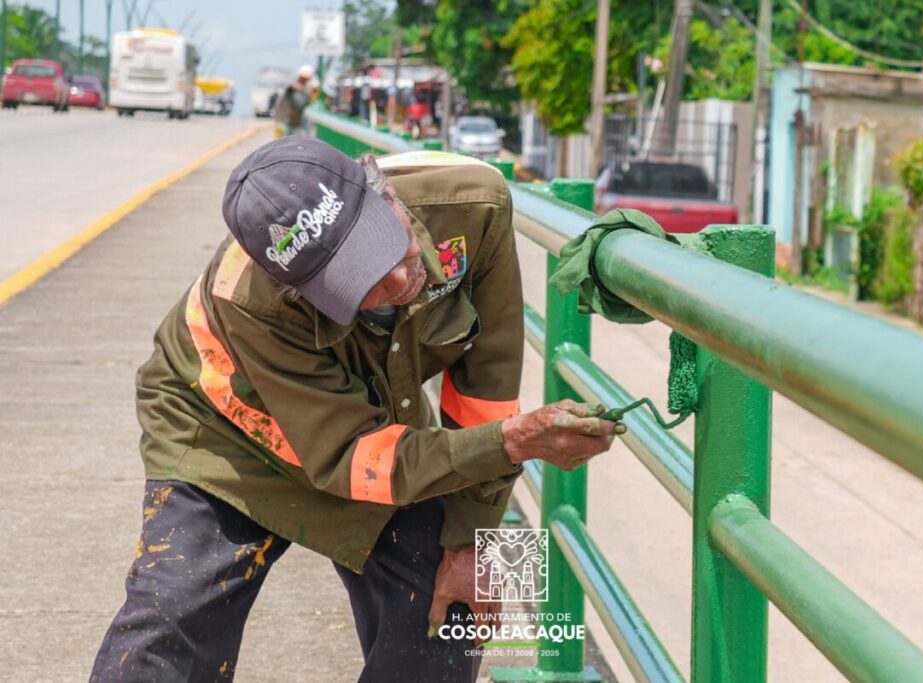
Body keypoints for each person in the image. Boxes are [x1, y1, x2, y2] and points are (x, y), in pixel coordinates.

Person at [90, 137, 622, 682]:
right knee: (172, 616)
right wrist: (513, 442)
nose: (395, 283)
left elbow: (489, 384)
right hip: (224, 430)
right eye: (354, 282)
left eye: (382, 248)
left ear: (382, 192)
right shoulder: (248, 299)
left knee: (459, 604)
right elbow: (352, 459)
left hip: (371, 420)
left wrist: (472, 538)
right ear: (298, 287)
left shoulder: (475, 204)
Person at [272, 64, 317, 138]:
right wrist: (308, 93)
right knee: (282, 144)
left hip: (294, 122)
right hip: (284, 121)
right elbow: (300, 102)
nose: (305, 80)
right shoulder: (294, 86)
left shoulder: (305, 89)